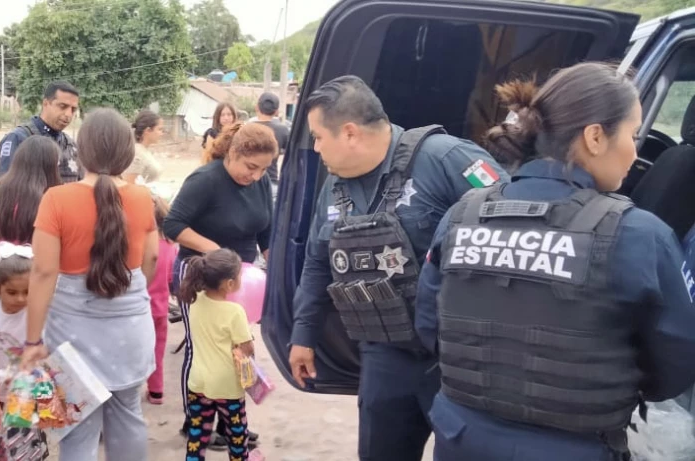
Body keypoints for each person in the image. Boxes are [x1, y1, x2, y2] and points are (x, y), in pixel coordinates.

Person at [415, 62, 695, 461]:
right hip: (576, 448)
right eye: (632, 135)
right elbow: (676, 364)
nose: (635, 151)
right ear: (595, 136)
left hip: (461, 436)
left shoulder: (462, 215)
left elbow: (429, 326)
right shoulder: (638, 235)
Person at [286, 75, 509, 461]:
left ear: (350, 132)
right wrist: (303, 333)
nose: (316, 147)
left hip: (457, 358)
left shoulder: (446, 158)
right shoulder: (335, 187)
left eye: (319, 137)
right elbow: (318, 262)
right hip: (385, 354)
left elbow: (512, 229)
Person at [20, 108, 159, 461]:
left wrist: (33, 339)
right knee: (128, 416)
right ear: (128, 152)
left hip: (71, 335)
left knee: (77, 430)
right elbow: (151, 262)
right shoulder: (142, 198)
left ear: (81, 151)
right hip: (130, 332)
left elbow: (43, 273)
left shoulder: (56, 200)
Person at [164, 122, 275, 450]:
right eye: (251, 167)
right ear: (233, 153)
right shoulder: (206, 180)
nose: (255, 176)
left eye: (264, 169)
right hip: (203, 277)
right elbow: (172, 224)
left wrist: (274, 271)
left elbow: (265, 232)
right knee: (203, 352)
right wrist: (216, 251)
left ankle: (231, 423)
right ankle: (195, 423)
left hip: (242, 281)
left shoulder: (262, 181)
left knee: (239, 350)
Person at [178, 249, 255, 461]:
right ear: (229, 284)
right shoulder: (234, 311)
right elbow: (247, 349)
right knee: (237, 435)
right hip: (227, 385)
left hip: (198, 381)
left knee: (197, 434)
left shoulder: (193, 300)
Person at [0, 249, 50, 460]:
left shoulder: (37, 313)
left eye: (27, 291)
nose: (20, 298)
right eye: (12, 292)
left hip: (25, 392)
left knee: (24, 443)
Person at [0, 136, 62, 248]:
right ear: (51, 166)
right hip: (39, 263)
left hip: (6, 263)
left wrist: (2, 245)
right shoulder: (52, 198)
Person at [0, 81, 81, 183]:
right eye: (62, 106)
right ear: (46, 103)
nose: (68, 114)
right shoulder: (19, 139)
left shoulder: (71, 145)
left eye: (73, 109)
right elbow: (6, 190)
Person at [147, 195, 177, 405]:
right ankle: (156, 390)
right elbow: (171, 278)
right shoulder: (169, 248)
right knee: (157, 349)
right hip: (160, 309)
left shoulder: (139, 247)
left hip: (138, 310)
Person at [251, 92, 290, 188]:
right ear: (276, 111)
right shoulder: (283, 130)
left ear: (257, 107)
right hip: (271, 181)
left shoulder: (247, 129)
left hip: (248, 180)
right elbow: (290, 155)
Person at [126, 110, 165, 185]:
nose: (162, 133)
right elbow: (130, 184)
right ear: (148, 130)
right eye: (160, 129)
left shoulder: (144, 150)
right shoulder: (137, 153)